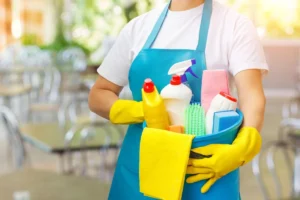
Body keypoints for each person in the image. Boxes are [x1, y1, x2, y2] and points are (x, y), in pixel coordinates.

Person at [89, 0, 268, 199]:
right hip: (141, 172)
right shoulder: (138, 28)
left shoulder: (234, 26)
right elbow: (99, 95)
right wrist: (141, 111)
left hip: (204, 172)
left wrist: (245, 145)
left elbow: (252, 95)